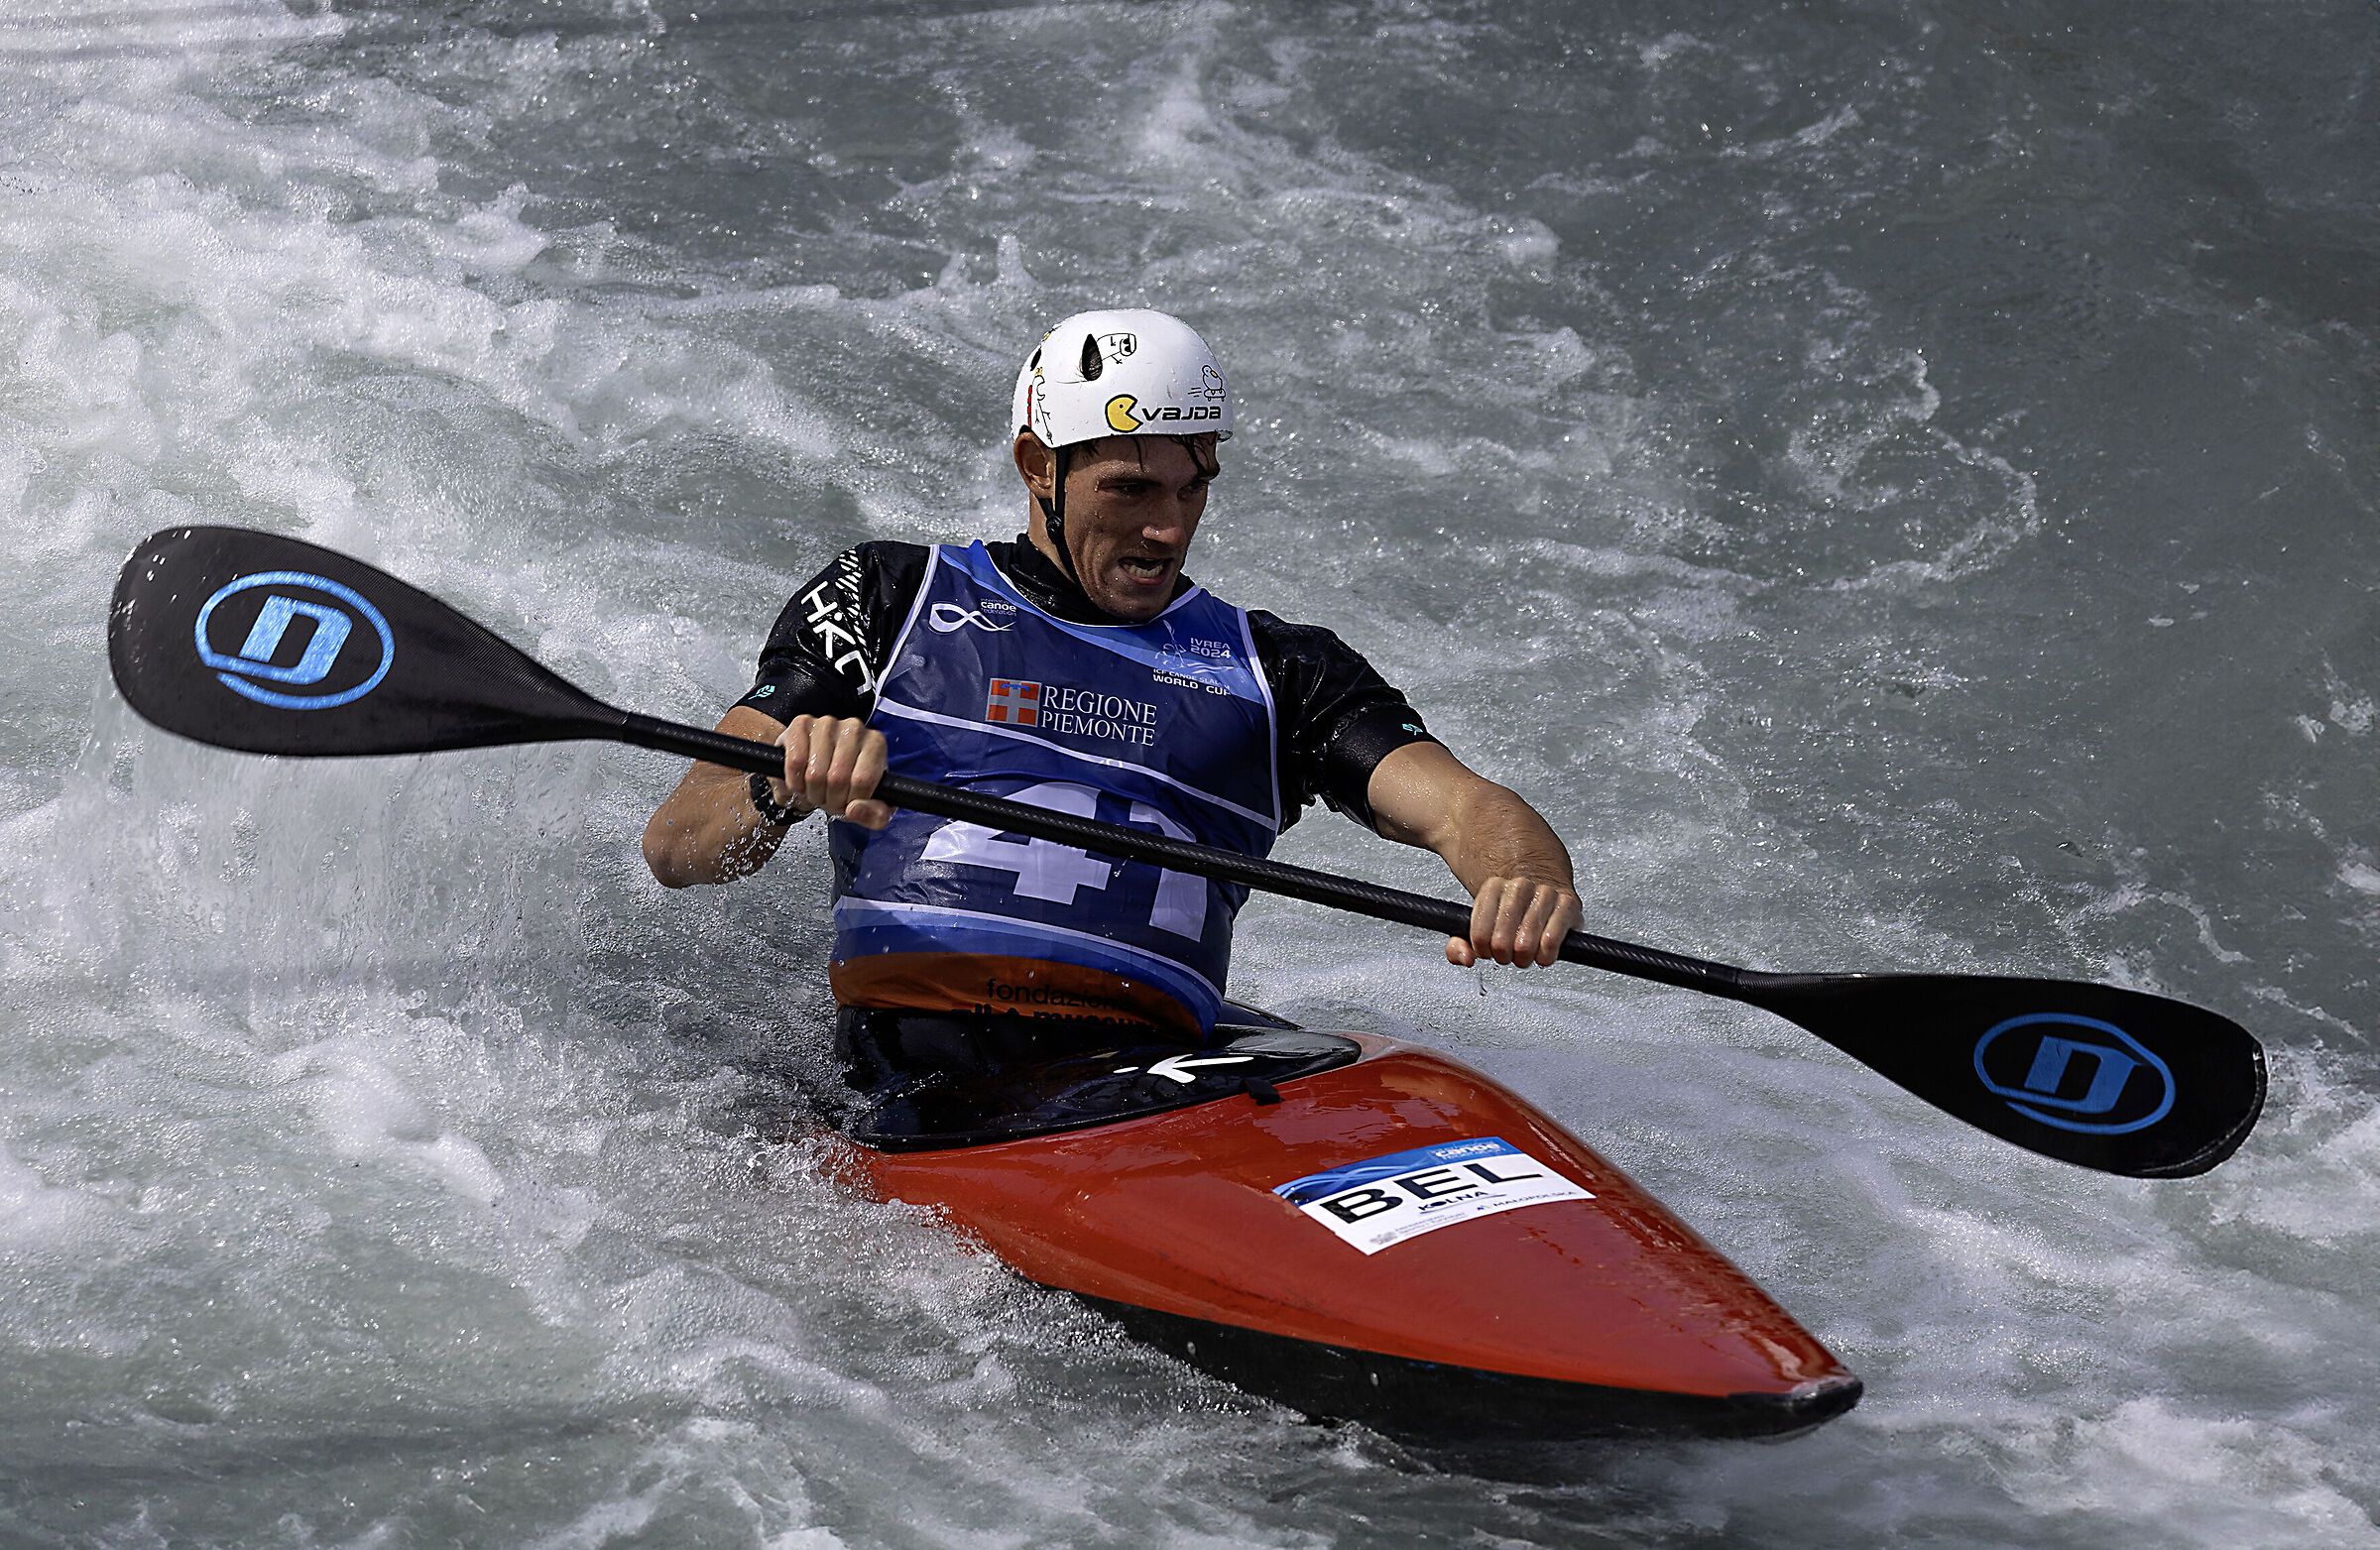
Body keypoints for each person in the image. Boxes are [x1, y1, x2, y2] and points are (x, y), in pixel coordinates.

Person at [643, 308, 1583, 1088]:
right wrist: (782, 787)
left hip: (1151, 1078)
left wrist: (1524, 882)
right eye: (1129, 488)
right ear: (1036, 466)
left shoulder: (1278, 670)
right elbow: (680, 843)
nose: (1167, 526)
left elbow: (1469, 808)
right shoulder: (887, 599)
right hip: (918, 1077)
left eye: (1192, 487)